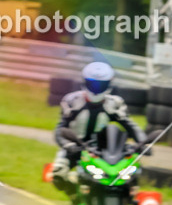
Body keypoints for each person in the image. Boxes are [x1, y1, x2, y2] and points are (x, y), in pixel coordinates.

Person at [51, 61, 144, 197]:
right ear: (85, 83)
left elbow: (130, 126)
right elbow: (60, 129)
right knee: (58, 174)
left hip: (102, 149)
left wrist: (142, 142)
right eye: (92, 84)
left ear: (109, 85)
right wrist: (68, 145)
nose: (96, 89)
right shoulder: (72, 101)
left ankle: (127, 199)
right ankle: (75, 199)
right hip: (75, 146)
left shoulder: (115, 104)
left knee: (131, 169)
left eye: (101, 85)